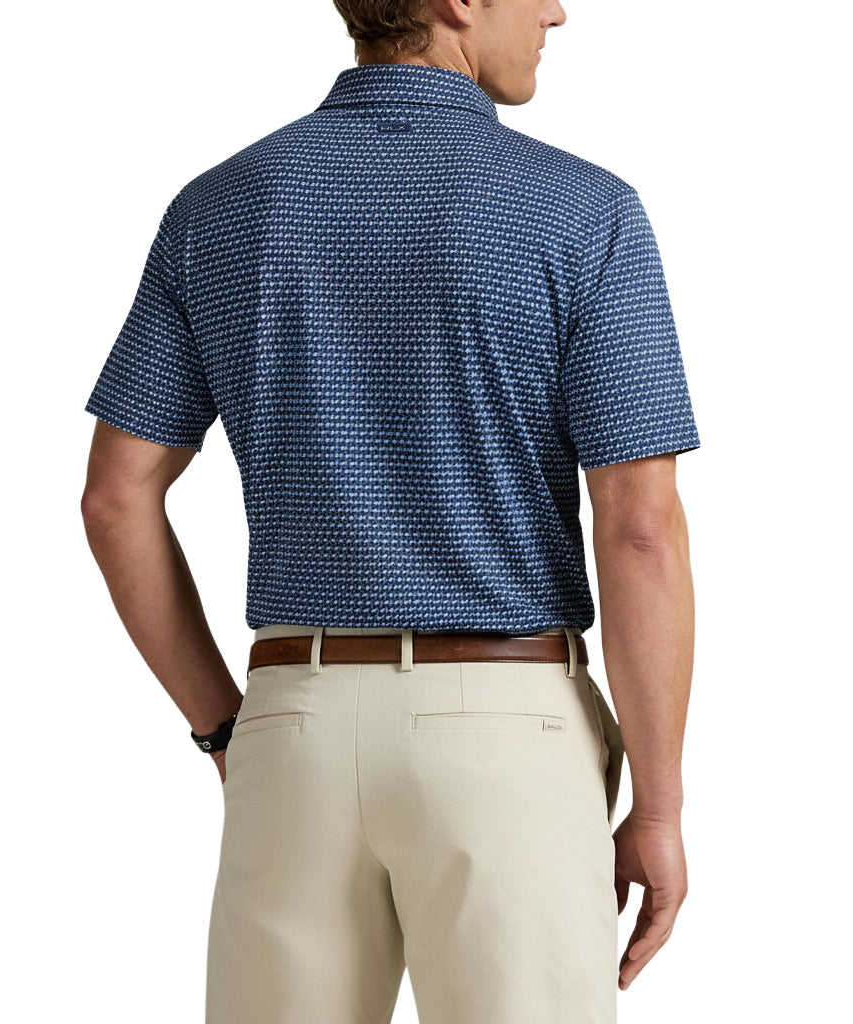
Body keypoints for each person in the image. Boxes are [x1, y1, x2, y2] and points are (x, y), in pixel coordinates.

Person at [80, 0, 699, 1020]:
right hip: (508, 732)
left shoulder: (219, 206)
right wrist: (661, 807)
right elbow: (640, 528)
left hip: (295, 725)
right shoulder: (584, 211)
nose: (557, 10)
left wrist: (226, 726)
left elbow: (116, 497)